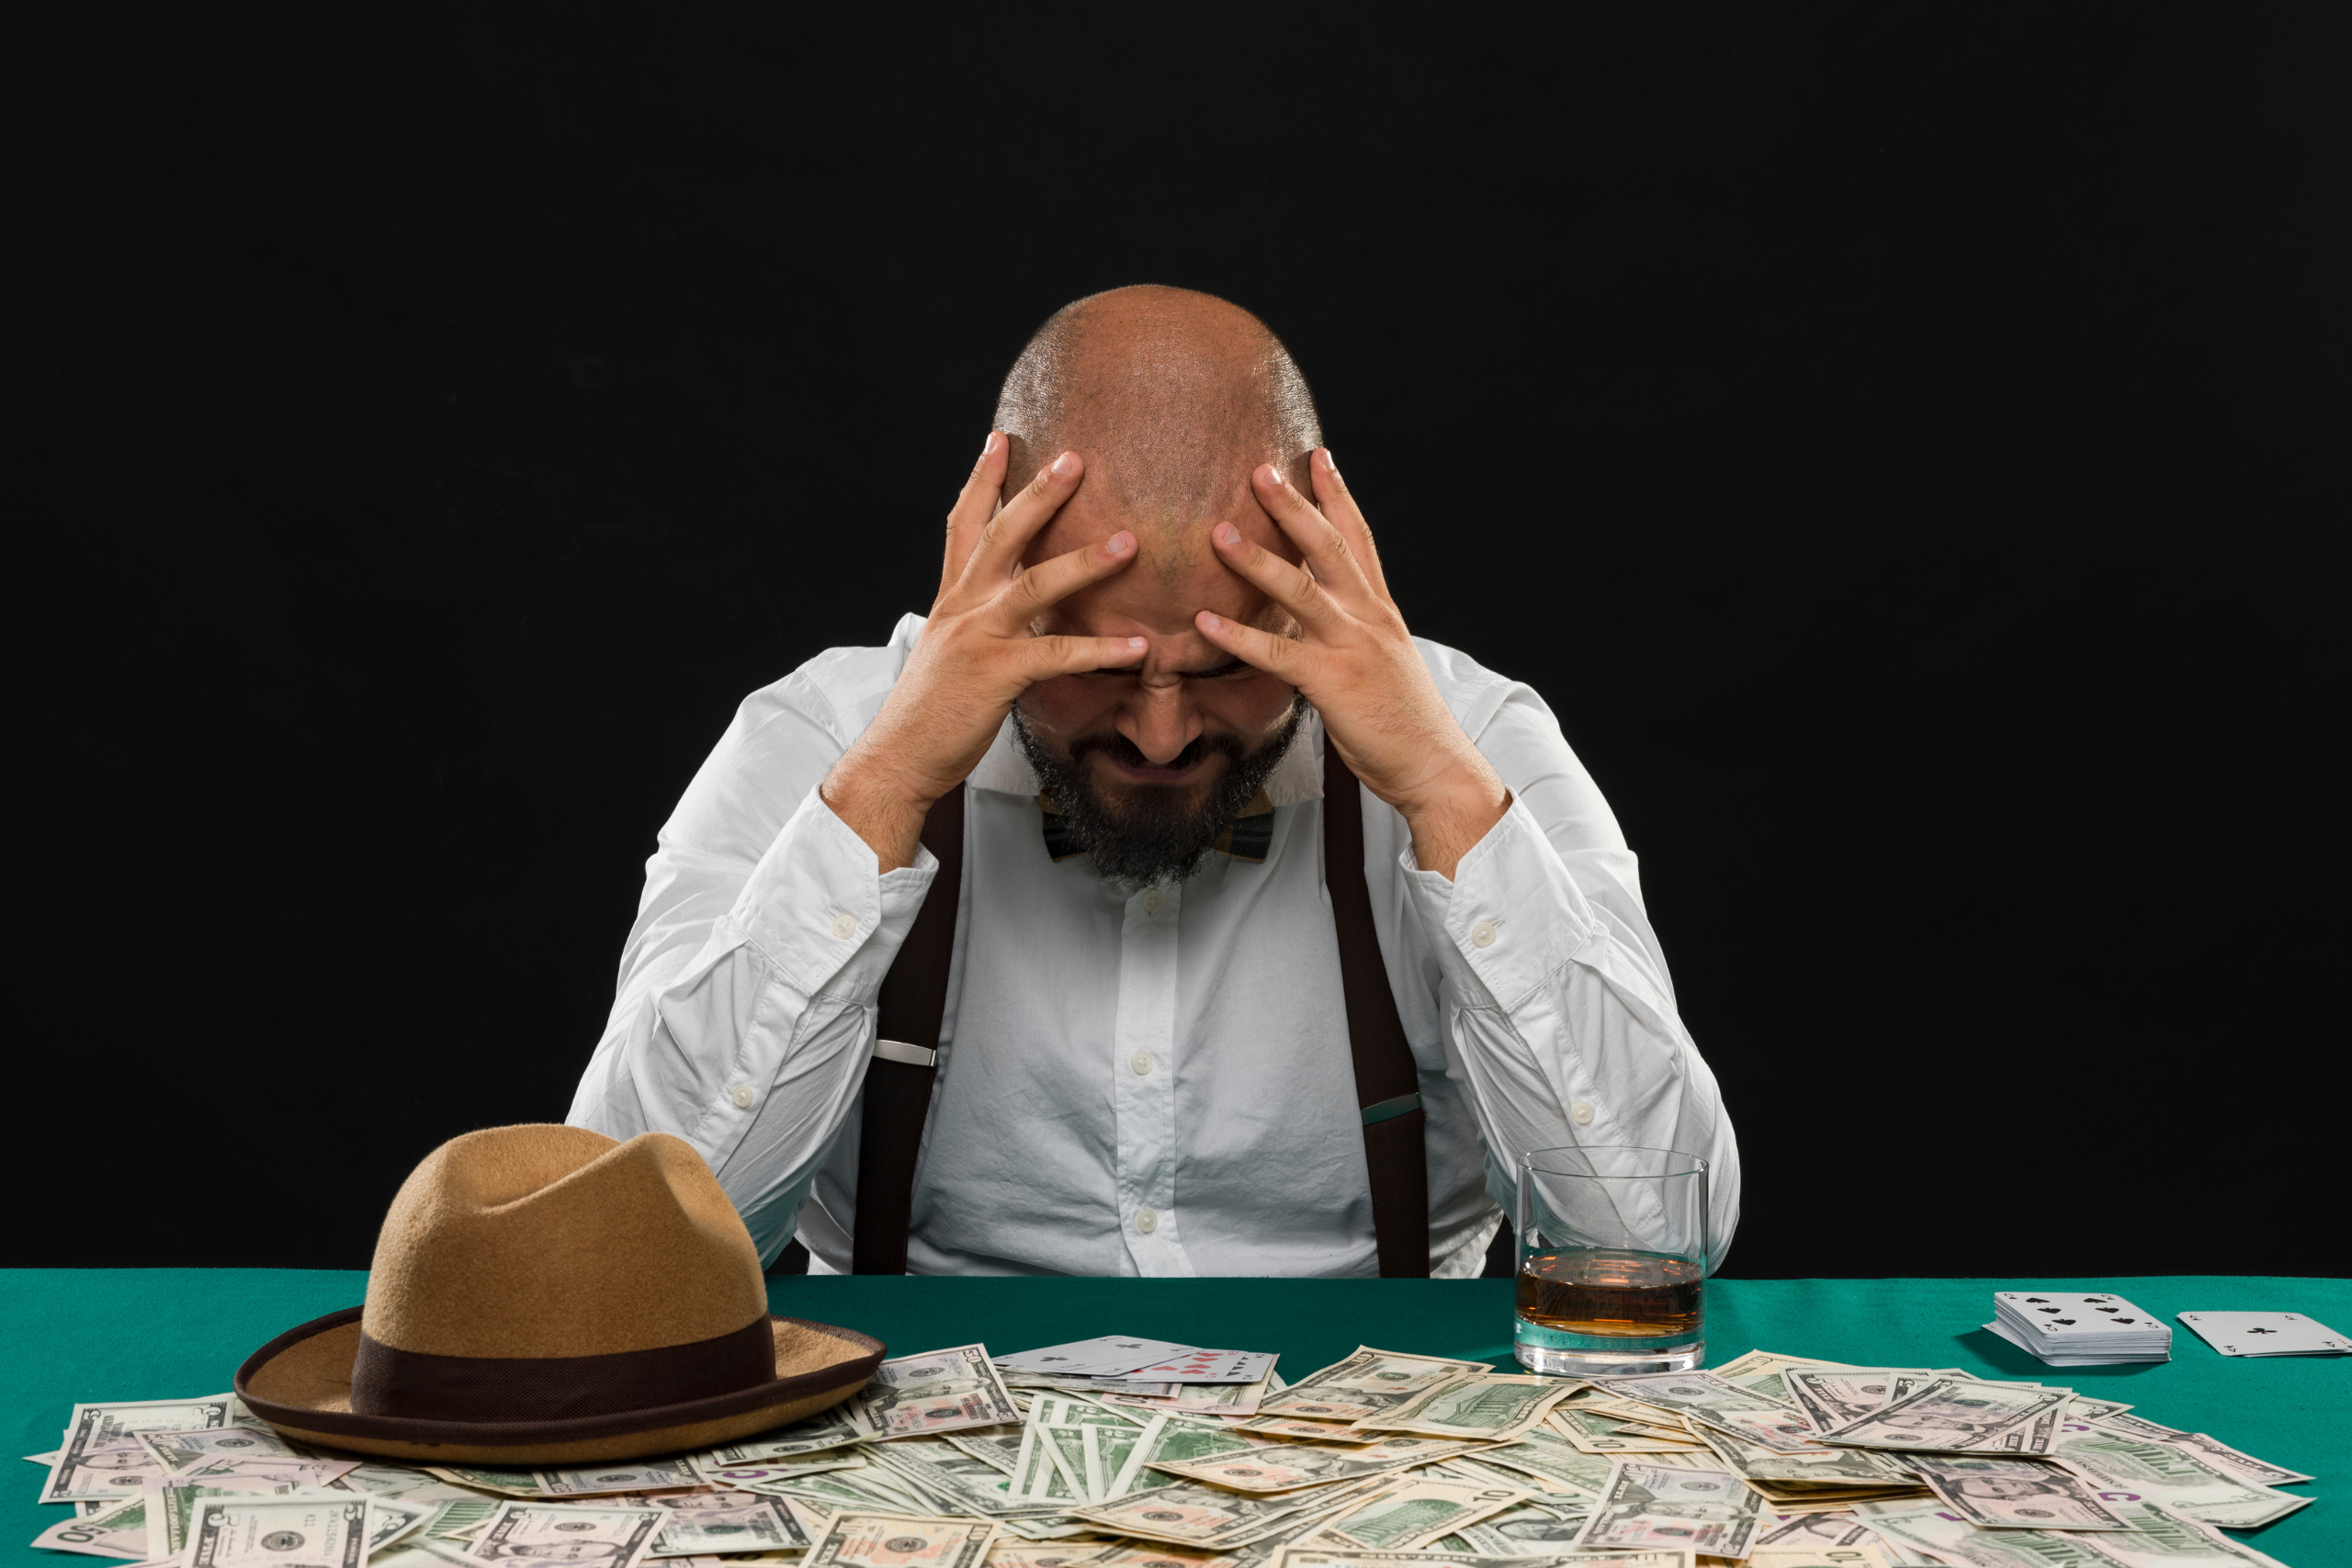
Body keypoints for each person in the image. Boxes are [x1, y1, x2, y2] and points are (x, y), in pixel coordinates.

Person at [567, 286, 1739, 1278]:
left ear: (1320, 569)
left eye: (1229, 667)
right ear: (989, 566)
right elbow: (627, 1250)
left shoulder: (1474, 739)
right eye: (1093, 662)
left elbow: (1654, 1241)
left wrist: (1443, 798)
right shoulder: (816, 738)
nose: (1165, 736)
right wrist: (882, 792)